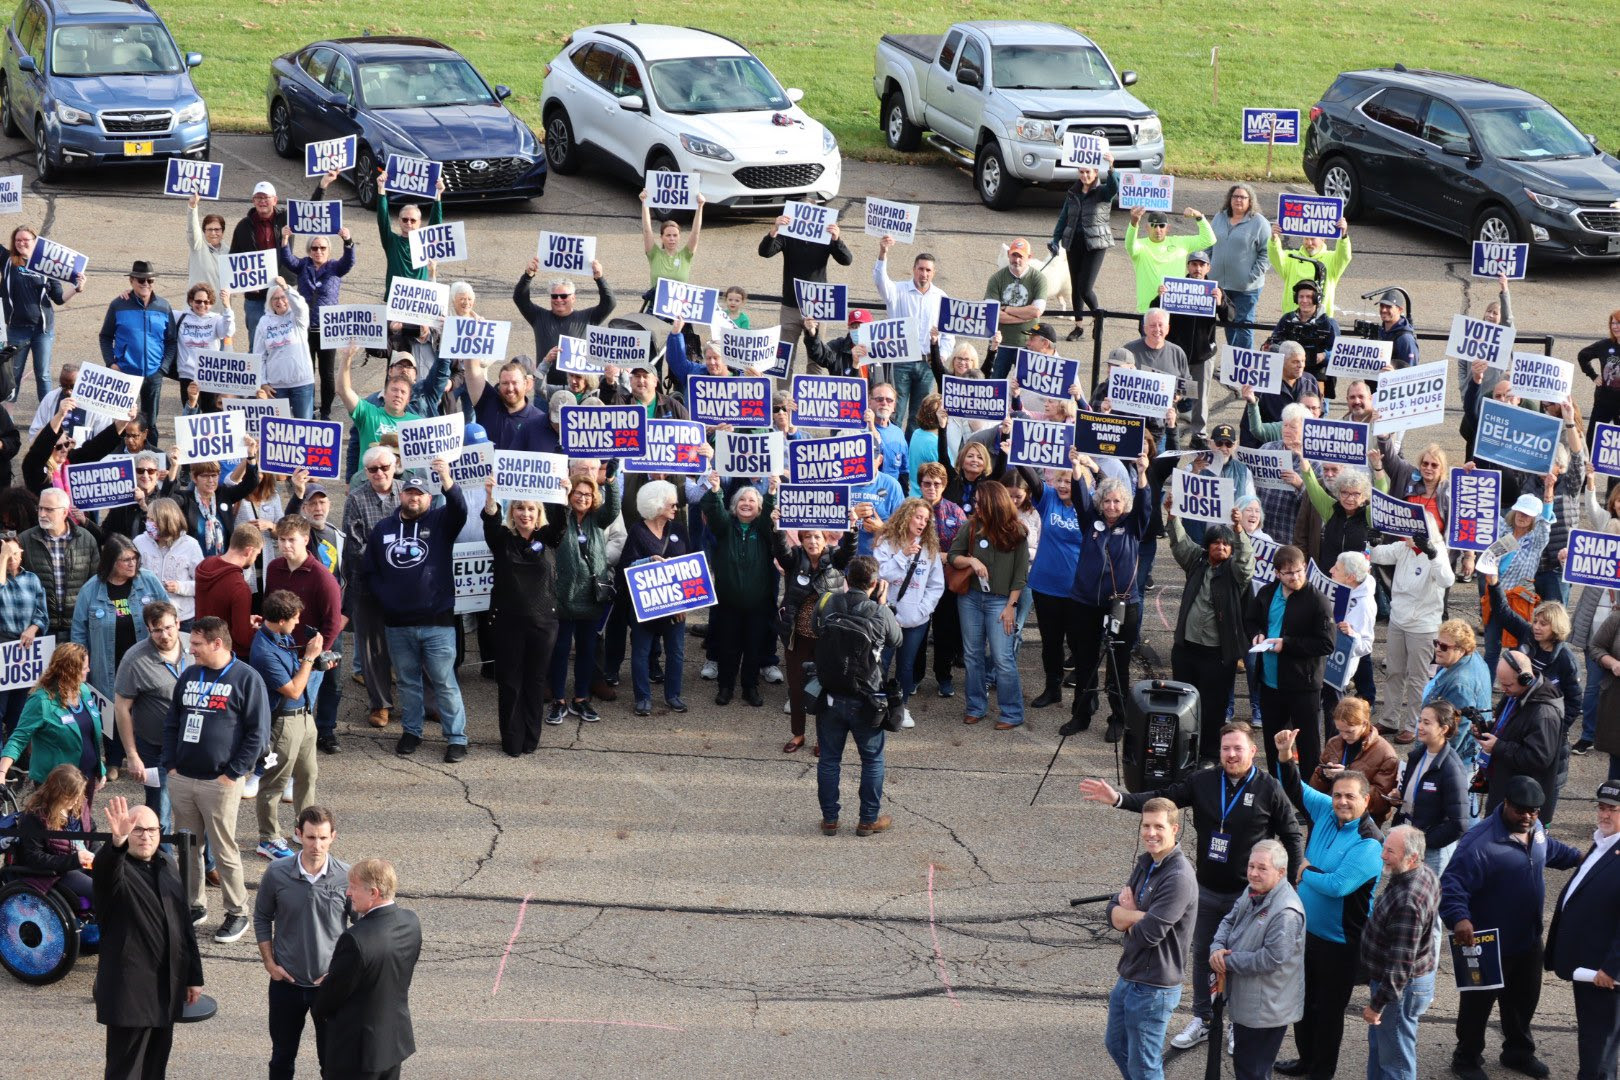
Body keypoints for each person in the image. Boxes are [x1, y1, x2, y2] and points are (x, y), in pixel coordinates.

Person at [1082, 721, 1304, 1052]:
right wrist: (1119, 799)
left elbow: (1291, 833)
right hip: (1207, 890)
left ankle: (1235, 1025)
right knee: (1202, 955)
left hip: (1251, 896)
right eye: (1226, 748)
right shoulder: (1203, 781)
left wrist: (1287, 887)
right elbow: (1163, 798)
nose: (1231, 754)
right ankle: (1204, 1018)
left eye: (1238, 748)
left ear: (1253, 752)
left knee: (1238, 960)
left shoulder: (1269, 787)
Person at [1442, 776, 1583, 1080]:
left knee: (1523, 1001)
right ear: (1505, 804)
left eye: (1534, 812)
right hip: (1486, 942)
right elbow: (1453, 885)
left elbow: (1550, 850)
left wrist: (1582, 858)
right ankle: (1466, 1058)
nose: (1528, 817)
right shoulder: (1479, 843)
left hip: (1527, 938)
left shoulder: (1536, 830)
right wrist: (1459, 919)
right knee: (1477, 1006)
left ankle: (1518, 1053)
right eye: (1521, 811)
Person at [1271, 728, 1384, 1080]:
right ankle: (1306, 1062)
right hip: (1305, 933)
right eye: (1337, 796)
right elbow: (1295, 791)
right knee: (1302, 1005)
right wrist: (1286, 756)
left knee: (1328, 1013)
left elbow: (1337, 886)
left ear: (1366, 800)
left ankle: (1321, 1073)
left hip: (1339, 945)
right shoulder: (1326, 812)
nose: (1342, 802)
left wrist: (1304, 871)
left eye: (1350, 797)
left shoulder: (1370, 843)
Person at [163, 615, 271, 942]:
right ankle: (195, 905)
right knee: (188, 847)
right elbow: (172, 723)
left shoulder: (246, 679)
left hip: (220, 782)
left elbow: (258, 734)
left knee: (224, 849)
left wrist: (233, 773)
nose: (190, 649)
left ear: (217, 643)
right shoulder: (190, 674)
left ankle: (238, 913)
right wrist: (170, 764)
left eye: (196, 644)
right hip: (183, 778)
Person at [362, 460, 469, 763]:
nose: (414, 497)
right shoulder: (383, 528)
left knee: (443, 680)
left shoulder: (440, 522)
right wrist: (387, 598)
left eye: (420, 494)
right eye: (409, 492)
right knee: (408, 682)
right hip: (397, 623)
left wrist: (446, 478)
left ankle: (457, 737)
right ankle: (412, 731)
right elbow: (369, 571)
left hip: (437, 621)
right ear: (402, 495)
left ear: (429, 498)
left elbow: (460, 509)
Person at [93, 795, 204, 1080]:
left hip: (166, 988)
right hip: (130, 994)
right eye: (137, 830)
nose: (145, 837)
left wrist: (194, 976)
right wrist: (116, 843)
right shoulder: (116, 870)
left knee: (156, 1068)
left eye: (152, 830)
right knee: (126, 1071)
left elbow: (183, 925)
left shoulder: (167, 864)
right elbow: (105, 871)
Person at [1103, 797, 1198, 1080]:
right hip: (1130, 975)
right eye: (1146, 825)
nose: (1150, 833)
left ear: (1175, 829)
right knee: (1116, 1044)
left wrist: (1129, 913)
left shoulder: (1178, 877)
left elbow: (1148, 935)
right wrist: (1137, 914)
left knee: (1144, 1064)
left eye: (1158, 826)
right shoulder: (1147, 862)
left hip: (1154, 987)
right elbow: (1110, 910)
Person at [253, 805, 349, 1080]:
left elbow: (362, 928)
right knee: (282, 1059)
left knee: (331, 1063)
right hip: (286, 985)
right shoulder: (277, 872)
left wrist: (341, 972)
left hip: (329, 987)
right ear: (298, 835)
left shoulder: (346, 876)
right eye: (310, 837)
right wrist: (270, 964)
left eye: (322, 837)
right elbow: (261, 917)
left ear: (333, 837)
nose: (316, 845)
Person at [1068, 453, 1152, 741]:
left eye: (1117, 501)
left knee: (1118, 663)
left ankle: (1119, 717)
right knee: (1085, 660)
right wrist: (1076, 468)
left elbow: (1145, 505)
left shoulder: (1133, 525)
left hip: (1124, 605)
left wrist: (1142, 474)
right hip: (1085, 603)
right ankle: (1081, 713)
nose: (1112, 506)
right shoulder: (1090, 522)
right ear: (1100, 503)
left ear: (1124, 503)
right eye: (1107, 501)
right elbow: (1079, 498)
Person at [313, 858, 420, 1080]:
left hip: (357, 1053)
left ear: (373, 893)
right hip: (392, 1043)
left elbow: (331, 998)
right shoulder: (411, 922)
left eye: (353, 887)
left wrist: (327, 985)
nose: (348, 893)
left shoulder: (356, 939)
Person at [1208, 839, 1306, 1080]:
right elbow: (1230, 919)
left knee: (1253, 1071)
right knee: (1245, 1065)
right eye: (1251, 866)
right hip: (1249, 1002)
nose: (1253, 873)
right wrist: (1217, 947)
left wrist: (1225, 962)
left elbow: (1270, 959)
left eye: (1262, 868)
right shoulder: (1254, 889)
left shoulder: (1286, 912)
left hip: (1266, 1010)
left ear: (1281, 872)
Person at [476, 477, 560, 754]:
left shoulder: (548, 539)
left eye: (531, 509)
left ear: (539, 514)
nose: (525, 513)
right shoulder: (502, 540)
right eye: (520, 508)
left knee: (535, 683)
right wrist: (490, 497)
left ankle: (531, 738)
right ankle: (511, 739)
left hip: (542, 624)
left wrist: (564, 493)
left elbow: (561, 523)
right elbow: (490, 522)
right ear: (512, 512)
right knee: (510, 683)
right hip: (507, 624)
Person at [1165, 501, 1253, 759]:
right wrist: (1173, 517)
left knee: (1213, 708)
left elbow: (1246, 562)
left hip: (1217, 654)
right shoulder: (1197, 561)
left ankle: (1210, 755)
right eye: (1216, 542)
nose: (1221, 547)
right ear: (1208, 545)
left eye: (1226, 544)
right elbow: (1180, 543)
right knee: (1183, 703)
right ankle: (1182, 750)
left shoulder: (1235, 573)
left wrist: (1238, 530)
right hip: (1186, 649)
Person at [1545, 779, 1620, 1080]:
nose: (1604, 815)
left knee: (1599, 1050)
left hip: (1604, 974)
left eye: (1612, 809)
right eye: (1601, 808)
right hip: (1588, 965)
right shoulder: (1604, 842)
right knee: (1592, 1041)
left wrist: (1612, 968)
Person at [1359, 825, 1442, 1080]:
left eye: (1390, 851)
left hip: (1398, 990)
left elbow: (1399, 965)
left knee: (1396, 1062)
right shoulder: (1423, 873)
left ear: (1412, 857)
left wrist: (1377, 1004)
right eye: (1384, 847)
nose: (1383, 855)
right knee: (1383, 1049)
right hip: (1403, 983)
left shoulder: (1408, 901)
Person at [246, 589, 323, 861]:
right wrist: (310, 657)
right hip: (283, 726)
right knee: (274, 783)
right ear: (280, 620)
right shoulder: (265, 651)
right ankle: (268, 838)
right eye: (295, 618)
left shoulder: (280, 635)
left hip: (303, 718)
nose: (298, 622)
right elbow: (292, 689)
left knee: (308, 775)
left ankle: (307, 829)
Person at [946, 480, 1027, 730]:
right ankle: (975, 707)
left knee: (1002, 657)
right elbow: (952, 556)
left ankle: (1012, 712)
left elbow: (1020, 575)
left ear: (994, 502)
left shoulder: (1017, 532)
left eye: (980, 501)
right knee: (972, 655)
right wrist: (970, 561)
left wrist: (1011, 606)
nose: (975, 505)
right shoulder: (970, 527)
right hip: (970, 598)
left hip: (1001, 602)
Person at [1248, 545, 1335, 773]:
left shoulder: (1317, 601)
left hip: (1302, 686)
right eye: (1288, 573)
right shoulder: (1266, 594)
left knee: (1308, 747)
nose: (1295, 577)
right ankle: (1277, 791)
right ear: (1277, 573)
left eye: (1299, 571)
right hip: (1270, 683)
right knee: (1274, 743)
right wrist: (1257, 633)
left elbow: (1326, 643)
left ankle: (1308, 798)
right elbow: (1252, 620)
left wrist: (1287, 644)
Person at [542, 468, 618, 724]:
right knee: (560, 650)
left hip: (590, 596)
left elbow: (613, 509)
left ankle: (581, 699)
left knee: (587, 650)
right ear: (570, 494)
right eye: (578, 493)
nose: (583, 498)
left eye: (588, 494)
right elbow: (553, 515)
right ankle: (559, 700)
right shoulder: (559, 518)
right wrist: (561, 497)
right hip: (563, 595)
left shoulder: (597, 519)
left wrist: (611, 482)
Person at [1369, 516, 1453, 742]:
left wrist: (1433, 554)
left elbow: (1447, 579)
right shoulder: (1403, 548)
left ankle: (1414, 724)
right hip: (1398, 619)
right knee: (1394, 671)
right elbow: (1377, 555)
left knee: (1418, 678)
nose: (1402, 536)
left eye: (1408, 532)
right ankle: (1389, 719)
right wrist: (1373, 542)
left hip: (1423, 625)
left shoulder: (1437, 550)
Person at [701, 472, 776, 708]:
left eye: (752, 501)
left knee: (754, 648)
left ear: (759, 507)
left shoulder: (763, 531)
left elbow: (769, 519)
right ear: (734, 506)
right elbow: (714, 513)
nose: (746, 504)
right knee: (728, 647)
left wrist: (772, 493)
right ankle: (725, 687)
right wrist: (716, 491)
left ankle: (750, 687)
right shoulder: (725, 528)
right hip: (728, 603)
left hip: (758, 604)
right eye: (742, 501)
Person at [774, 523, 854, 743]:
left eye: (817, 537)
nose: (812, 541)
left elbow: (849, 550)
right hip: (797, 639)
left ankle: (823, 738)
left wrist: (853, 528)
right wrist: (776, 527)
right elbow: (780, 551)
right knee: (797, 690)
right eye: (807, 537)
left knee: (826, 690)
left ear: (826, 539)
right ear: (801, 539)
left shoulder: (836, 559)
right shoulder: (794, 558)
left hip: (826, 640)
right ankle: (798, 734)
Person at [114, 601, 187, 834]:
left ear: (178, 623)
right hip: (155, 750)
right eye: (157, 630)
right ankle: (161, 865)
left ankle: (206, 865)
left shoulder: (194, 648)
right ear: (148, 630)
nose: (164, 635)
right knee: (159, 813)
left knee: (197, 811)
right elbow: (121, 708)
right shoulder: (134, 659)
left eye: (168, 628)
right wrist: (132, 755)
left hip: (192, 747)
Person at [1013, 466, 1081, 709]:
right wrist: (1016, 451)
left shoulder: (1088, 507)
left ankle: (1083, 695)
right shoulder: (1049, 498)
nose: (1063, 486)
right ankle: (1053, 688)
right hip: (1045, 586)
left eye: (1069, 482)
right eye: (1060, 480)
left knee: (1078, 644)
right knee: (1050, 643)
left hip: (1077, 590)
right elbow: (1031, 478)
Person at [874, 497, 945, 726]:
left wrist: (922, 610)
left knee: (906, 666)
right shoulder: (886, 542)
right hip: (886, 618)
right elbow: (881, 576)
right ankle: (877, 705)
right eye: (918, 516)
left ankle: (902, 707)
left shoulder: (930, 548)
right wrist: (903, 555)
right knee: (880, 665)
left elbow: (936, 585)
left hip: (916, 620)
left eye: (926, 519)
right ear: (906, 517)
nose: (922, 522)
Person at [343, 446, 400, 729]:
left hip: (407, 586)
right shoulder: (355, 498)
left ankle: (427, 703)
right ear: (366, 472)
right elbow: (355, 546)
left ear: (395, 465)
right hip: (368, 584)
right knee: (372, 648)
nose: (380, 473)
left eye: (385, 467)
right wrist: (389, 565)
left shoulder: (409, 493)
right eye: (373, 469)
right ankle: (380, 704)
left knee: (414, 645)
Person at [278, 212, 355, 421]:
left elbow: (349, 262)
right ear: (309, 250)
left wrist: (347, 241)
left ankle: (326, 411)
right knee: (307, 372)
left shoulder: (334, 267)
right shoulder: (303, 265)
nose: (318, 251)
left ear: (328, 250)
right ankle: (309, 408)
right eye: (314, 248)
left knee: (327, 374)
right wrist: (285, 239)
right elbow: (287, 259)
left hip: (328, 330)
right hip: (305, 329)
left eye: (322, 248)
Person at [0, 641, 102, 792]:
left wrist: (100, 769)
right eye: (84, 667)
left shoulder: (84, 690)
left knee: (83, 817)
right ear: (70, 670)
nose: (88, 670)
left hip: (86, 778)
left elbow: (90, 735)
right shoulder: (40, 700)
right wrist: (2, 773)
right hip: (55, 786)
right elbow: (18, 739)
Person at [1149, 250, 1229, 438]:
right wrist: (1160, 297)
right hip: (1176, 353)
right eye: (1194, 264)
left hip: (1203, 354)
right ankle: (1165, 430)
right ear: (1188, 266)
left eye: (1202, 265)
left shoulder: (1215, 290)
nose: (1197, 268)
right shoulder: (1174, 287)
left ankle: (1198, 434)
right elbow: (1153, 311)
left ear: (1208, 267)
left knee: (1200, 397)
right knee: (1169, 393)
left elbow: (1230, 317)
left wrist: (1221, 303)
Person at [872, 235, 951, 425]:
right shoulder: (897, 291)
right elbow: (880, 280)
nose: (924, 274)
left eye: (928, 270)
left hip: (927, 364)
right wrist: (883, 253)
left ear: (934, 272)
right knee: (895, 413)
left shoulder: (941, 297)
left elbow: (948, 334)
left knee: (919, 416)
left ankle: (911, 453)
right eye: (921, 269)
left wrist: (942, 356)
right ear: (914, 269)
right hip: (901, 362)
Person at [1390, 701, 1471, 876]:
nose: (1419, 726)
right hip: (1409, 842)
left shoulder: (1451, 768)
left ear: (1444, 729)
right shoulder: (1417, 756)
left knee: (1425, 901)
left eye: (1427, 723)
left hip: (1431, 852)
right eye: (1420, 721)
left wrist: (1425, 841)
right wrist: (1400, 797)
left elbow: (1459, 824)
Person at [2, 224, 81, 403]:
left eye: (26, 240)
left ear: (35, 241)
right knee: (12, 375)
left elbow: (58, 298)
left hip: (42, 330)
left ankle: (46, 418)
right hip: (16, 329)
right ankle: (7, 421)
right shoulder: (7, 259)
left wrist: (77, 288)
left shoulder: (48, 265)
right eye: (18, 240)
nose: (21, 243)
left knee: (43, 374)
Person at [98, 260, 177, 433]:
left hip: (153, 374)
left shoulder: (164, 306)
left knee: (150, 424)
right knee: (122, 422)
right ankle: (121, 458)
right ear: (131, 281)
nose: (146, 284)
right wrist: (111, 363)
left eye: (150, 281)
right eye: (141, 280)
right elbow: (105, 336)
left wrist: (162, 368)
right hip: (125, 374)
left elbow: (171, 341)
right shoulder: (118, 305)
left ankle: (152, 458)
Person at [13, 764, 95, 926]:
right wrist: (74, 860)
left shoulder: (79, 805)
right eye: (70, 797)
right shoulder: (35, 818)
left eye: (78, 796)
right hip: (56, 872)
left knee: (117, 879)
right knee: (97, 889)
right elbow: (34, 858)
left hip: (81, 862)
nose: (75, 801)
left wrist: (97, 855)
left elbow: (92, 836)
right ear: (56, 793)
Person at [759, 212, 851, 356]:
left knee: (817, 357)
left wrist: (836, 239)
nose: (808, 221)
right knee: (785, 357)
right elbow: (765, 252)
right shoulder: (788, 235)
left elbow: (846, 260)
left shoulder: (826, 237)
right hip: (791, 306)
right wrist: (774, 230)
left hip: (817, 306)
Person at [1049, 150, 1117, 337]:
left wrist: (1111, 168)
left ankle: (1098, 316)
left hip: (1095, 244)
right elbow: (1064, 218)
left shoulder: (1102, 192)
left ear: (1096, 172)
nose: (1085, 175)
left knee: (1085, 288)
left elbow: (1114, 188)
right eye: (1081, 172)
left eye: (1088, 172)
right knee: (1075, 285)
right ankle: (1078, 326)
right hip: (1074, 242)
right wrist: (1055, 239)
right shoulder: (1073, 193)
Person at [514, 261, 615, 385]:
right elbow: (519, 298)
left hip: (579, 389)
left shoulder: (588, 318)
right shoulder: (538, 316)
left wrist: (599, 278)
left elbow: (609, 303)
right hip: (546, 389)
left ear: (573, 298)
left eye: (563, 296)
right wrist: (528, 275)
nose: (559, 300)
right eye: (554, 296)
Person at [20, 485, 99, 639]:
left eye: (49, 510)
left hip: (78, 626)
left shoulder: (86, 539)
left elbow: (95, 582)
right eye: (40, 508)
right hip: (39, 629)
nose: (42, 514)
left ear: (64, 512)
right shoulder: (25, 540)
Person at [1123, 205, 1216, 312]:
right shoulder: (1139, 246)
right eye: (1153, 225)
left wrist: (1199, 216)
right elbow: (1129, 244)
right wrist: (1134, 223)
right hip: (1148, 309)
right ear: (1147, 227)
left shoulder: (1181, 243)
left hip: (1175, 308)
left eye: (1161, 226)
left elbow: (1209, 240)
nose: (1157, 230)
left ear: (1168, 228)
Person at [1210, 184, 1269, 348]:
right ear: (1229, 199)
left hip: (1246, 288)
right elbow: (1208, 243)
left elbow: (1267, 253)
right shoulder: (1219, 218)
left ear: (1250, 201)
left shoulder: (1259, 222)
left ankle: (1245, 365)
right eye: (1235, 196)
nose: (1238, 200)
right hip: (1221, 285)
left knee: (1243, 325)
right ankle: (1233, 362)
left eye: (1243, 197)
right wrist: (1207, 268)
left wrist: (1251, 276)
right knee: (1229, 322)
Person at [194, 524, 264, 660]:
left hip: (202, 647)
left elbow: (215, 605)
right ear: (249, 551)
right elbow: (242, 638)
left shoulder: (205, 566)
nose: (255, 559)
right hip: (226, 657)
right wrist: (257, 631)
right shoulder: (240, 588)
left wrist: (243, 618)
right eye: (257, 554)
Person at [0, 534, 46, 735]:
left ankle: (15, 758)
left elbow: (42, 613)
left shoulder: (32, 579)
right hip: (3, 645)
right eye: (8, 555)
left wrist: (33, 627)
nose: (12, 559)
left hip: (26, 648)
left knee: (19, 708)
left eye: (15, 554)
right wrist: (3, 559)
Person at [134, 497, 204, 627]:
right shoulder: (139, 542)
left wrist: (179, 587)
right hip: (148, 617)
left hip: (182, 618)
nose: (148, 523)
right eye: (147, 519)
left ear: (166, 520)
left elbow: (203, 584)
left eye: (152, 520)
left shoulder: (190, 545)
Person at [1263, 281, 1340, 397]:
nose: (1304, 301)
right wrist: (1272, 348)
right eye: (1301, 297)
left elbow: (1339, 353)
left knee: (1315, 411)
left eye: (1308, 297)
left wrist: (1324, 355)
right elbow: (1274, 340)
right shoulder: (1287, 319)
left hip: (1317, 376)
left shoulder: (1328, 323)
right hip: (1288, 375)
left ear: (1317, 299)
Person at [985, 238, 1048, 377]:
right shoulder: (996, 279)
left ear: (1029, 257)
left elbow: (1036, 311)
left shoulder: (1038, 279)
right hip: (1001, 344)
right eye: (1014, 255)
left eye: (1021, 256)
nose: (1016, 260)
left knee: (1025, 389)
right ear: (1008, 254)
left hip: (1028, 345)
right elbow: (991, 314)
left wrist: (1006, 309)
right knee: (995, 385)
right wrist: (1025, 317)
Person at [255, 277, 315, 419]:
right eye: (274, 298)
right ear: (269, 302)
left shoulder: (298, 318)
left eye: (283, 297)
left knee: (304, 428)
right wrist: (263, 382)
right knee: (280, 432)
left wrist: (287, 289)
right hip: (276, 387)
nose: (279, 301)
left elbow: (300, 306)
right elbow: (259, 355)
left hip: (302, 383)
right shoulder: (264, 322)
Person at [374, 177, 442, 298]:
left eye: (413, 220)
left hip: (420, 299)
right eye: (405, 219)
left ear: (419, 222)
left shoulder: (425, 242)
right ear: (399, 221)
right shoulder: (391, 241)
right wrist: (381, 189)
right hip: (397, 299)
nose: (408, 223)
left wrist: (438, 195)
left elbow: (436, 225)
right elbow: (383, 219)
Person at [1269, 217, 1351, 316]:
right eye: (1306, 239)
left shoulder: (1332, 260)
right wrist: (1274, 239)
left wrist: (1343, 236)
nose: (1309, 243)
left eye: (1313, 239)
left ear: (1323, 240)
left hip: (1320, 320)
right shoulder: (1291, 257)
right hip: (1292, 317)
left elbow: (1344, 256)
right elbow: (1275, 256)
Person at [640, 187, 705, 290]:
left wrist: (700, 206)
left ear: (679, 237)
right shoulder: (654, 254)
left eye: (675, 235)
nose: (672, 239)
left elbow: (695, 232)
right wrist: (645, 203)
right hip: (656, 304)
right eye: (668, 235)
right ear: (661, 237)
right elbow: (647, 231)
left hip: (678, 305)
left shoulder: (685, 255)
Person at [1577, 309, 1620, 444]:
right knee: (1592, 440)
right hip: (1604, 401)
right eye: (1613, 323)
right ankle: (1588, 465)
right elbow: (1582, 355)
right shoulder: (1604, 345)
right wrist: (1593, 375)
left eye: (1618, 323)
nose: (1615, 326)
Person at [185, 192, 228, 297]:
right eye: (209, 230)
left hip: (221, 309)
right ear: (203, 232)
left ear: (223, 232)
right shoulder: (197, 247)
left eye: (217, 229)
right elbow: (192, 229)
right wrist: (192, 207)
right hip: (197, 307)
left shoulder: (229, 252)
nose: (213, 233)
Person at [1374, 289, 1419, 366]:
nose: (1384, 310)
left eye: (1389, 307)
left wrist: (1393, 372)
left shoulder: (1405, 339)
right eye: (1382, 306)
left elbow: (1411, 371)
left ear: (1400, 310)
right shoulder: (1381, 330)